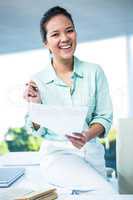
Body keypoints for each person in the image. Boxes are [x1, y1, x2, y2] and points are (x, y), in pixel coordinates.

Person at [23, 6, 113, 187]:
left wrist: (87, 135)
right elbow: (35, 130)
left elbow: (104, 117)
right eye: (55, 34)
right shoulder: (38, 80)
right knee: (104, 191)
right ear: (46, 43)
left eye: (69, 31)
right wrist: (36, 105)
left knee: (100, 191)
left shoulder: (94, 72)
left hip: (93, 154)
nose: (65, 38)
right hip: (58, 155)